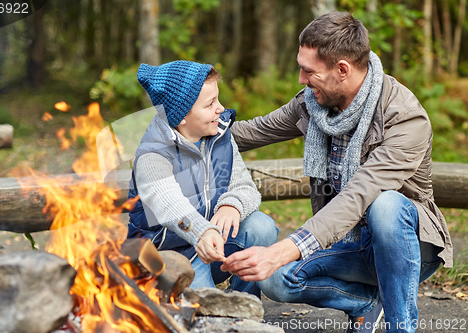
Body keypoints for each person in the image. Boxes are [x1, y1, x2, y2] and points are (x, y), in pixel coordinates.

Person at [222, 11, 453, 333]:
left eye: (308, 70)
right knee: (274, 280)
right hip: (347, 243)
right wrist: (176, 128)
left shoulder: (404, 118)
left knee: (385, 205)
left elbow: (360, 194)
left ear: (342, 69)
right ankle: (366, 305)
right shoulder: (312, 103)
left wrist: (282, 249)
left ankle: (401, 327)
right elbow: (249, 133)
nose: (301, 79)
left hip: (408, 246)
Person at [127, 60, 278, 298]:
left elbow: (245, 186)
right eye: (210, 104)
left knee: (261, 227)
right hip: (168, 256)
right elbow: (168, 204)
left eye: (217, 99)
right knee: (204, 308)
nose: (220, 108)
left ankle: (246, 302)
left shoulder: (219, 137)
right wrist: (202, 231)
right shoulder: (152, 154)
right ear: (181, 116)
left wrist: (232, 204)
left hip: (211, 244)